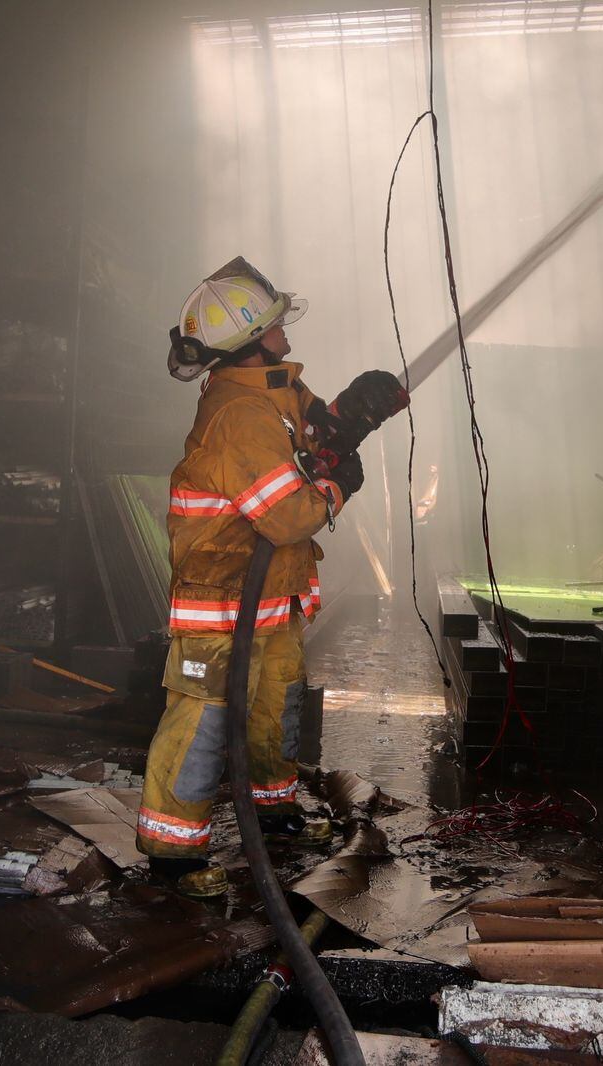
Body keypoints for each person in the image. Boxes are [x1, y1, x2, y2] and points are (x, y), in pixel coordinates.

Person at [137, 256, 405, 899]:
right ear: (254, 341)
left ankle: (273, 810)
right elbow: (286, 515)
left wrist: (352, 411)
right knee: (203, 720)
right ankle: (173, 851)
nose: (287, 328)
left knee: (273, 706)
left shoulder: (273, 393)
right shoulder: (241, 417)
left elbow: (313, 429)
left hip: (269, 595)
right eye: (276, 323)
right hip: (220, 598)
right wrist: (337, 487)